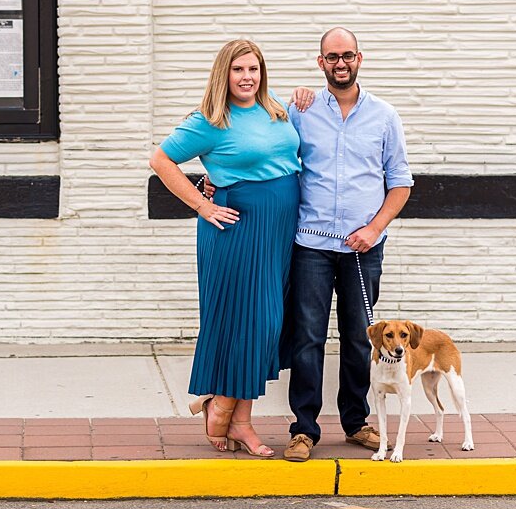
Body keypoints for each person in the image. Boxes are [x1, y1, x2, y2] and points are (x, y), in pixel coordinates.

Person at [149, 38, 301, 458]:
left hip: (277, 231)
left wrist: (307, 95)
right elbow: (161, 160)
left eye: (253, 69)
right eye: (238, 70)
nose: (247, 77)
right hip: (236, 229)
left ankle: (222, 406)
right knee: (246, 323)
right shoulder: (208, 121)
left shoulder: (277, 111)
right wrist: (201, 203)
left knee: (266, 323)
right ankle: (232, 418)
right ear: (224, 75)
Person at [276, 28, 412, 462]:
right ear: (320, 63)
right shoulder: (301, 110)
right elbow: (259, 138)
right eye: (331, 56)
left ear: (359, 59)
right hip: (311, 244)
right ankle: (304, 430)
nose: (340, 62)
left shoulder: (385, 116)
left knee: (360, 337)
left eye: (347, 55)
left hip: (363, 247)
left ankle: (356, 423)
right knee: (307, 337)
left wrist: (374, 229)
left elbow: (400, 183)